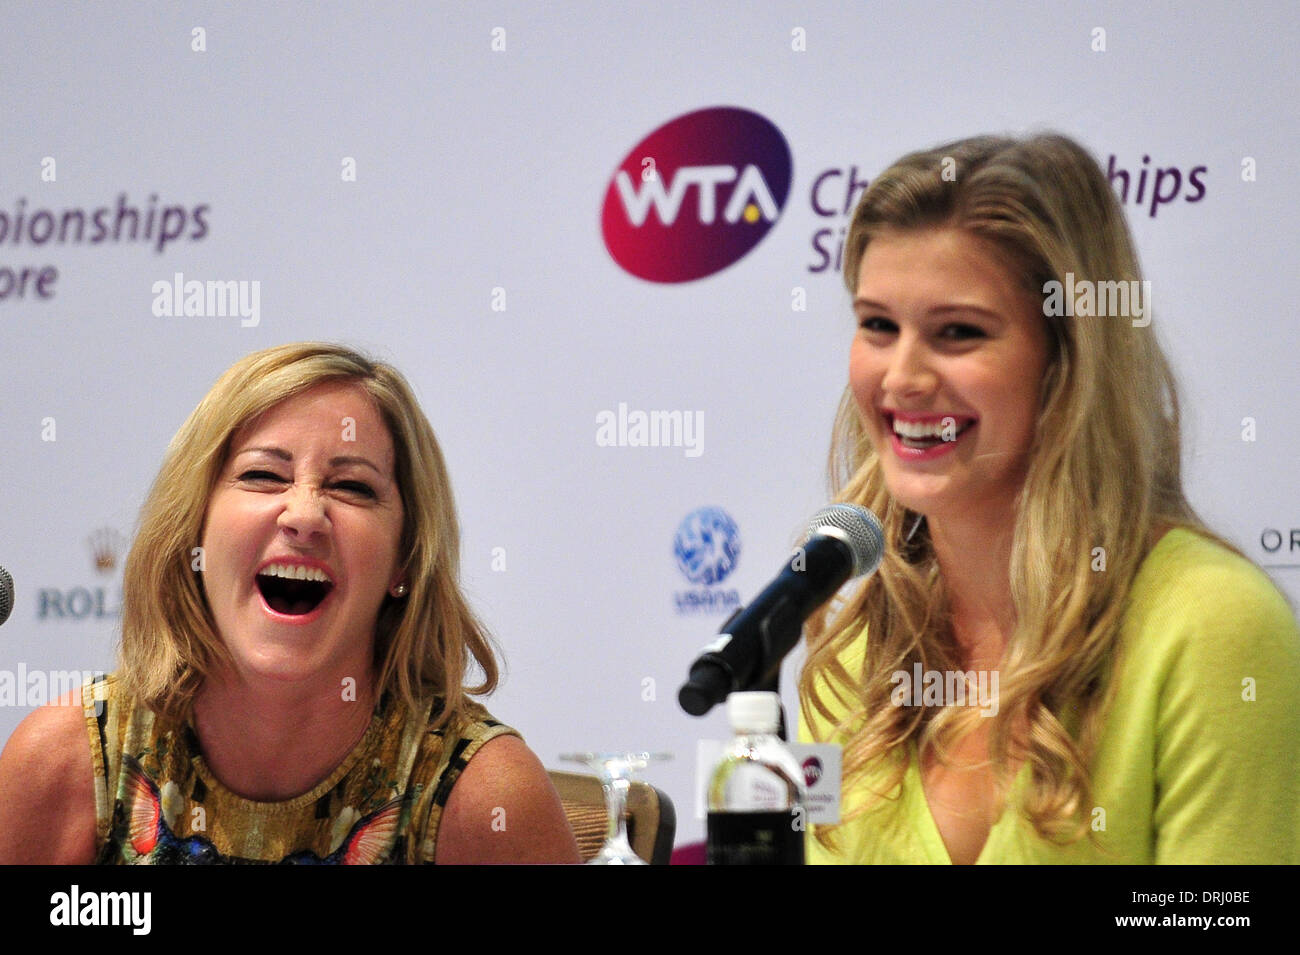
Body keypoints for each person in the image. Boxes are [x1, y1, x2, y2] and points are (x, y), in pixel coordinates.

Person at [798, 133, 1300, 864]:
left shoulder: (1213, 624)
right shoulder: (853, 656)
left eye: (958, 332)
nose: (902, 376)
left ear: (1066, 358)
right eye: (878, 324)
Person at [0, 343, 580, 864]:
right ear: (193, 532)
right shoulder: (66, 760)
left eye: (352, 487)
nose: (303, 515)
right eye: (262, 475)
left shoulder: (484, 799)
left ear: (405, 562)